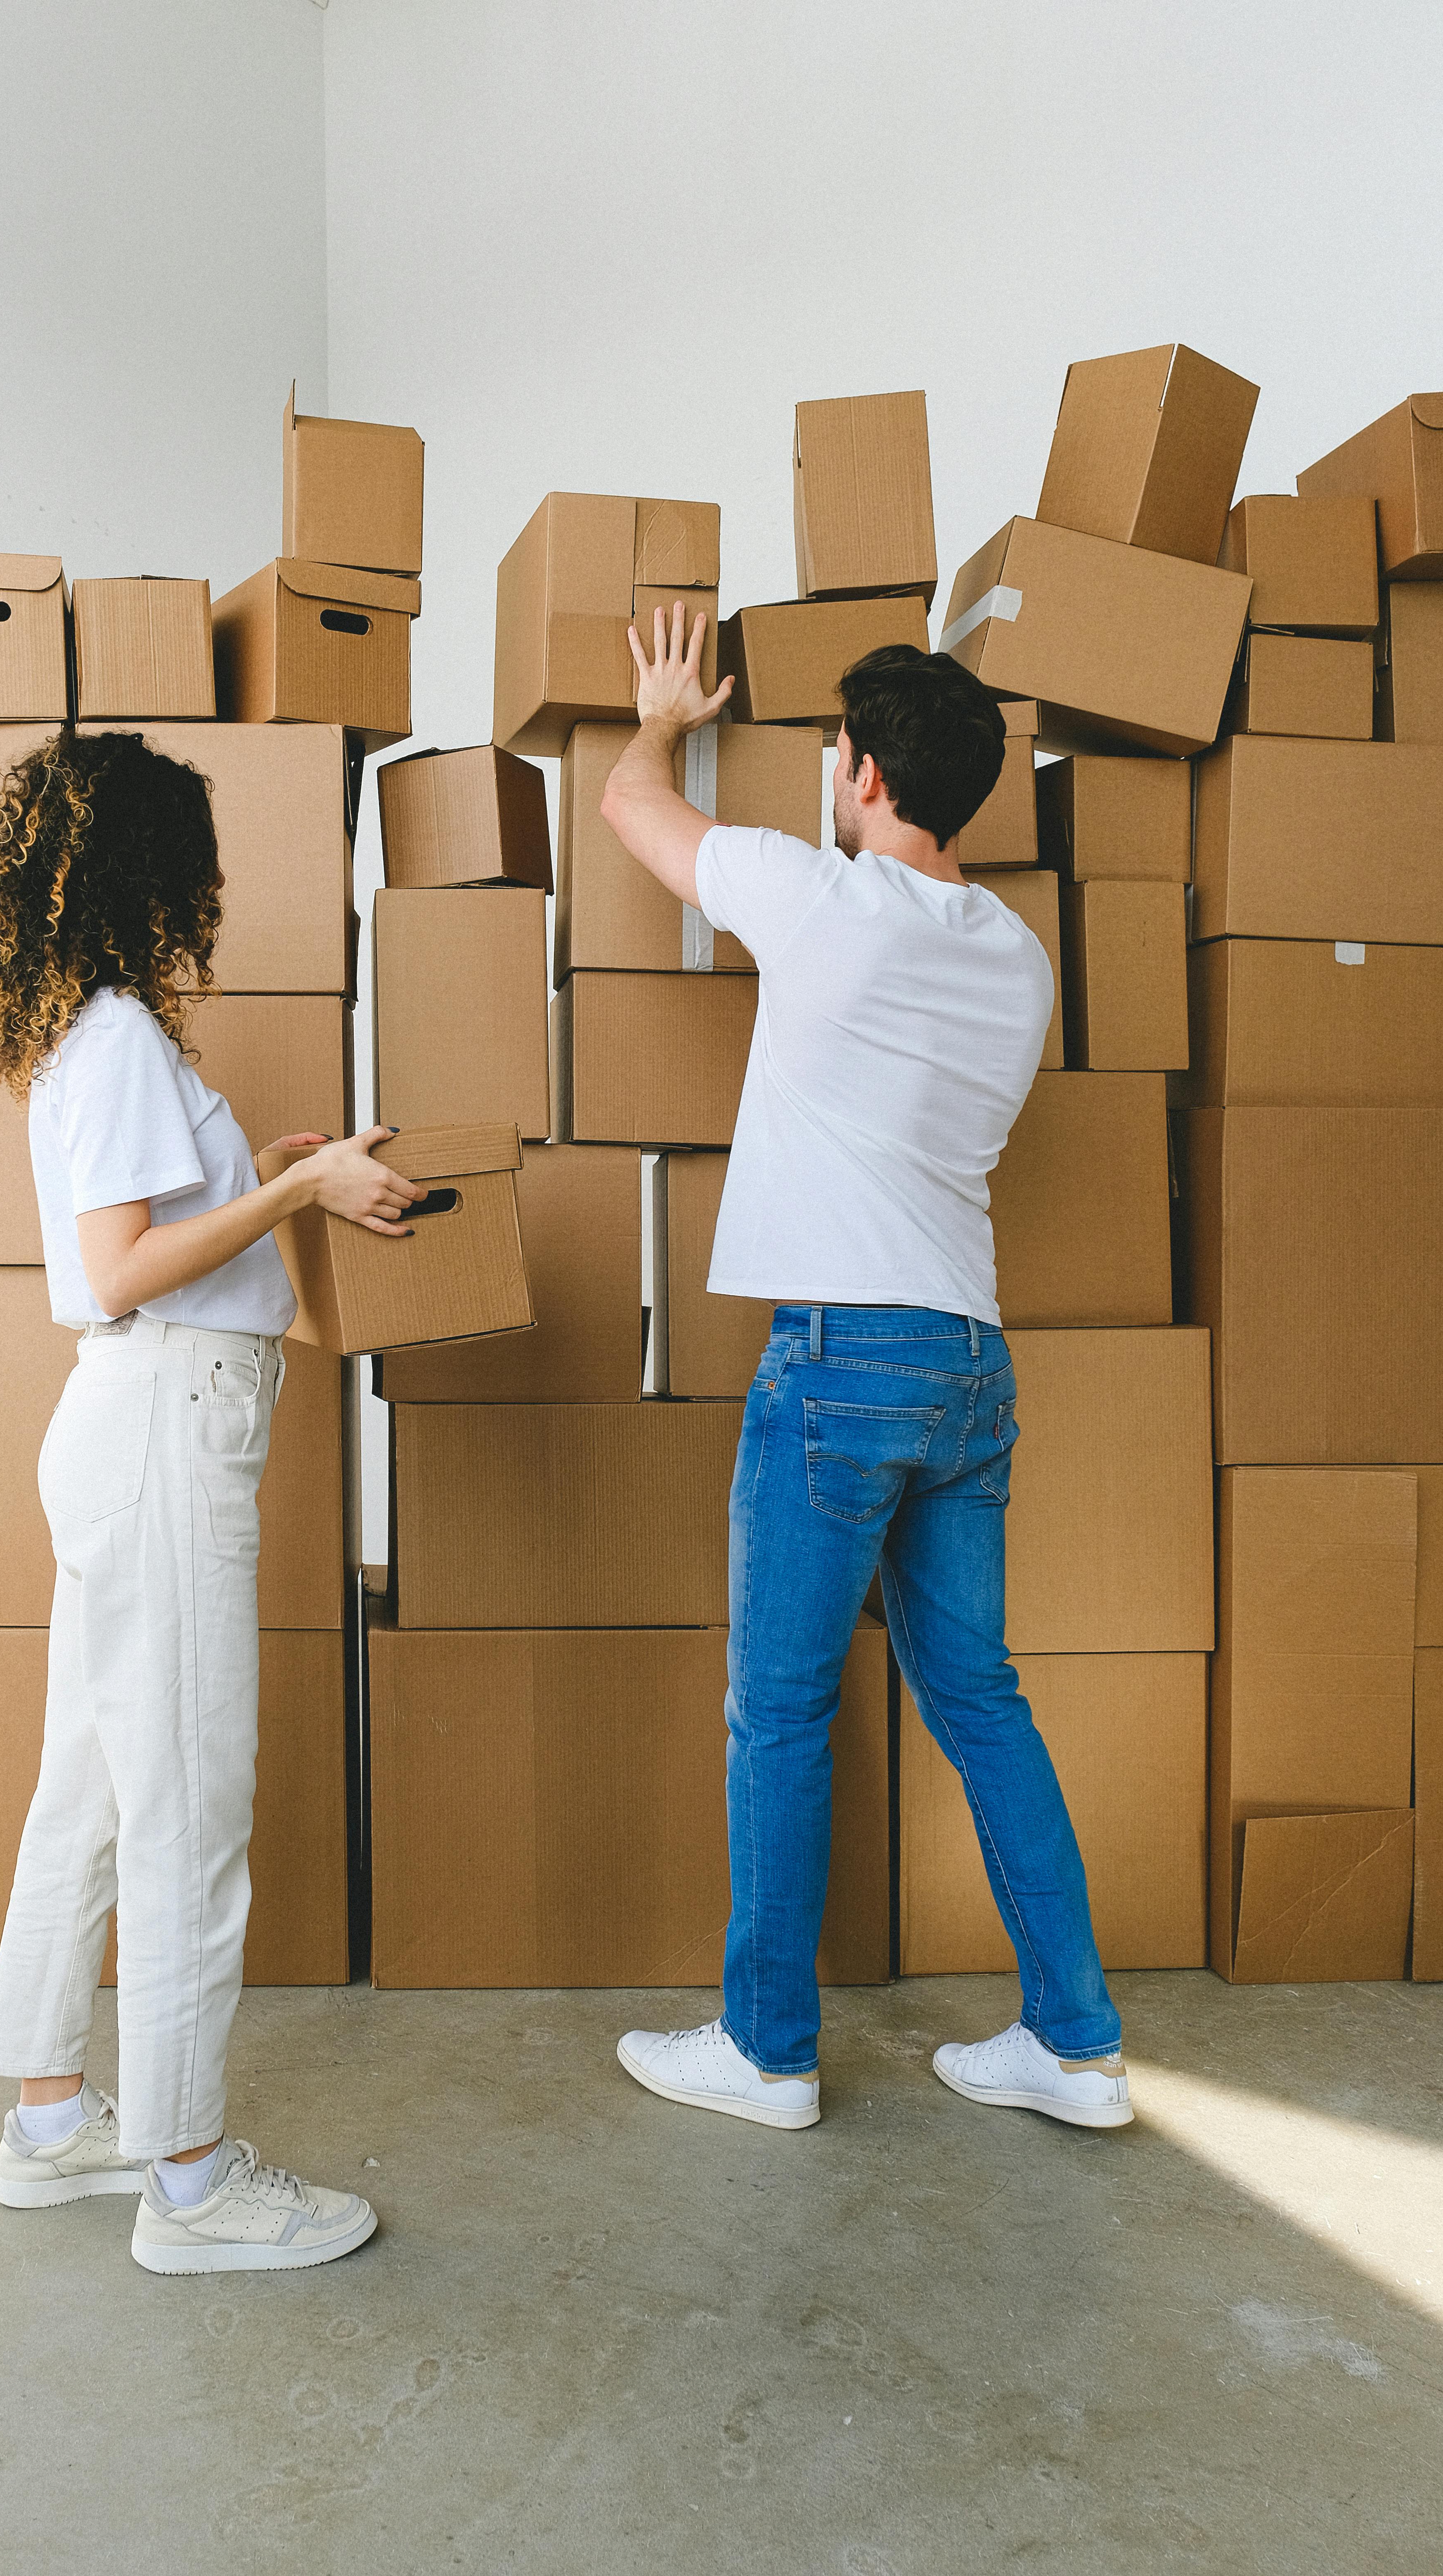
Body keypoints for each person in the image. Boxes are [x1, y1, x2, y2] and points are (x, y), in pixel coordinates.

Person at [601, 614, 1131, 2137]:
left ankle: (768, 2050)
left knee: (777, 1712)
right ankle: (1076, 2044)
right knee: (981, 1699)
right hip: (969, 1362)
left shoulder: (821, 899)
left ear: (864, 772)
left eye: (838, 753)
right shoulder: (1020, 958)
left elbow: (634, 810)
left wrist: (657, 716)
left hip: (841, 1359)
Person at [0, 727, 422, 2273]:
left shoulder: (96, 1041)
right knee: (188, 1804)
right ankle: (194, 2184)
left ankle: (47, 2125)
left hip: (133, 1426)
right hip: (163, 1430)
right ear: (145, 870)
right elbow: (120, 1273)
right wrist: (294, 1193)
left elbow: (169, 1244)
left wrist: (273, 1173)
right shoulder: (119, 1046)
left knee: (94, 1784)